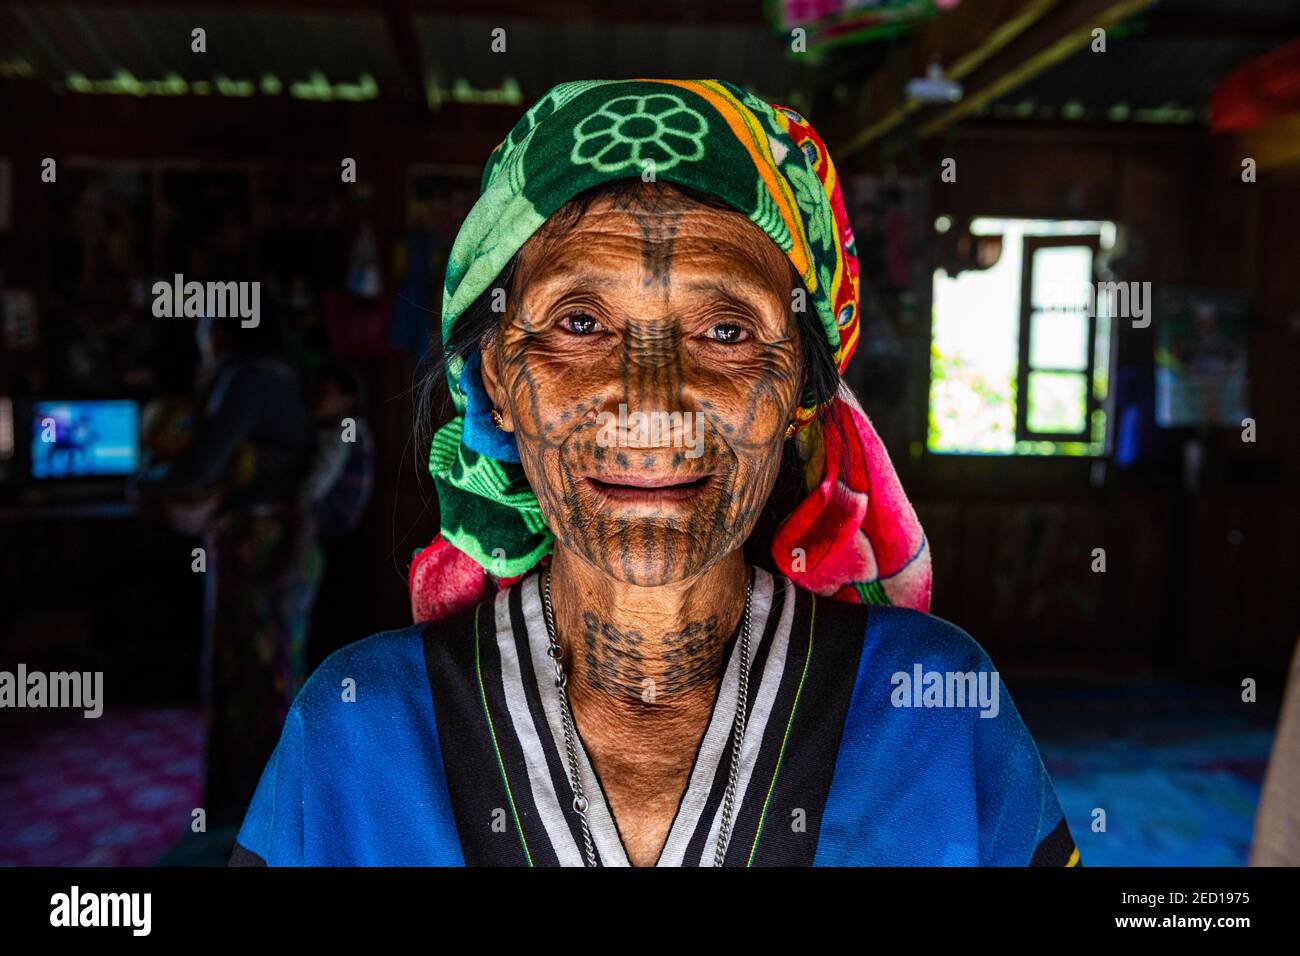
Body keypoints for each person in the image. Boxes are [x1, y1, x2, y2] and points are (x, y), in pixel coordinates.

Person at [232, 80, 1077, 867]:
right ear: (495, 376)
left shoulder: (936, 713)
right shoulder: (354, 729)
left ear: (799, 392)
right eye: (579, 319)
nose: (651, 403)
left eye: (726, 332)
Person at [139, 307, 320, 828]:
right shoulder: (275, 373)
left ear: (219, 332)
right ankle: (269, 814)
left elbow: (203, 465)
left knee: (251, 674)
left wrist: (144, 483)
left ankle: (252, 817)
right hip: (277, 543)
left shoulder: (247, 378)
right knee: (271, 670)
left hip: (261, 546)